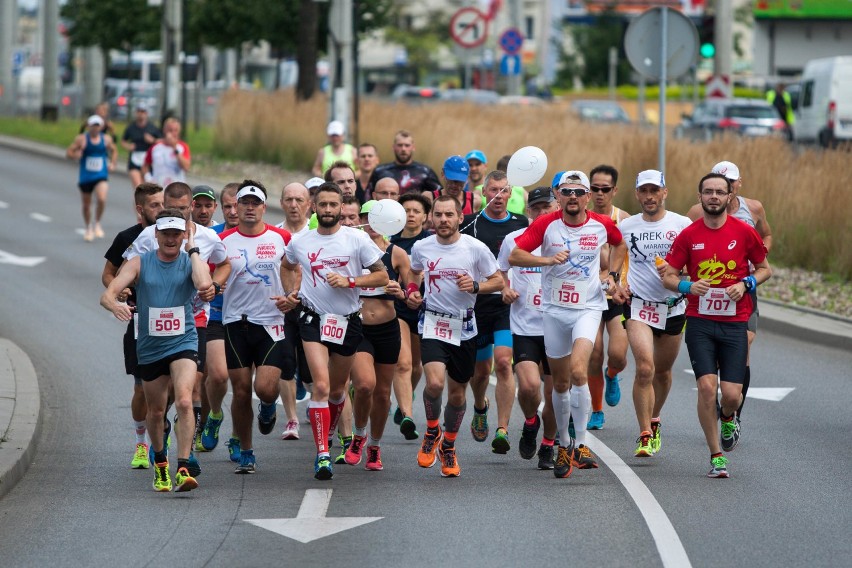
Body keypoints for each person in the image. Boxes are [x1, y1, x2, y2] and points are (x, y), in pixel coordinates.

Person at [509, 170, 627, 479]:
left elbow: (620, 244)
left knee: (578, 371)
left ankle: (583, 444)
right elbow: (516, 255)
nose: (572, 197)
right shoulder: (546, 225)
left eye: (578, 192)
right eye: (567, 192)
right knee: (559, 384)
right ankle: (563, 443)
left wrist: (613, 276)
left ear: (588, 197)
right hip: (554, 311)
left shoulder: (602, 225)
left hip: (587, 308)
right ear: (558, 196)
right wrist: (546, 261)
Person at [662, 172, 771, 478]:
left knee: (732, 395)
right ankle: (716, 455)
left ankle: (728, 416)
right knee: (707, 387)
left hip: (735, 322)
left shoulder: (744, 231)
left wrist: (747, 283)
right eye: (708, 192)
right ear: (700, 197)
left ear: (728, 197)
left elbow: (765, 269)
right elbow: (669, 276)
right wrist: (687, 287)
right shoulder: (689, 234)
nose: (713, 196)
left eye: (719, 192)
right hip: (699, 322)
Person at [281, 182, 388, 480]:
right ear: (314, 207)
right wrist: (292, 291)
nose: (328, 210)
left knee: (338, 391)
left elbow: (381, 275)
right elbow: (287, 265)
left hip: (348, 321)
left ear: (341, 208)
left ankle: (326, 430)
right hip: (313, 319)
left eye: (333, 205)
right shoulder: (301, 242)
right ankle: (323, 454)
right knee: (322, 386)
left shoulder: (356, 240)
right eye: (323, 205)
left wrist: (351, 282)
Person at [101, 209, 213, 492]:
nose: (171, 239)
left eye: (177, 234)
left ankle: (184, 465)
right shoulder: (139, 263)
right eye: (166, 234)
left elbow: (203, 284)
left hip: (183, 340)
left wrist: (194, 250)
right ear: (157, 235)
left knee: (186, 401)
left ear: (183, 235)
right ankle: (161, 463)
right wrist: (117, 305)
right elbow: (107, 294)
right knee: (156, 410)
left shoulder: (190, 261)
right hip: (150, 345)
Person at [124, 182, 230, 467]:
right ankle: (160, 441)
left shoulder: (205, 237)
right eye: (172, 207)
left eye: (185, 209)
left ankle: (187, 456)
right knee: (157, 402)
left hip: (193, 321)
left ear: (191, 208)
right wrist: (122, 295)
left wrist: (215, 286)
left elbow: (225, 264)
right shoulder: (146, 237)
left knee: (191, 390)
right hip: (150, 326)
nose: (178, 212)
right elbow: (120, 272)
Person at [407, 195, 503, 477]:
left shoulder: (475, 248)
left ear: (460, 218)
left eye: (449, 215)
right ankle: (432, 431)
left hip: (464, 327)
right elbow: (413, 273)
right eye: (438, 215)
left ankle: (448, 445)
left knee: (459, 395)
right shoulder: (422, 246)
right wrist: (412, 291)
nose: (443, 220)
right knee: (435, 383)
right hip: (433, 322)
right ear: (431, 218)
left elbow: (498, 281)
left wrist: (475, 286)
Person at [688, 161, 773, 427]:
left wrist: (754, 261)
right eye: (711, 189)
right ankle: (717, 394)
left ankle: (733, 410)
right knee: (710, 368)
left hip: (742, 289)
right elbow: (685, 244)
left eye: (730, 183)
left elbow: (766, 236)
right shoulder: (695, 213)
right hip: (707, 293)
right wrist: (684, 282)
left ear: (736, 186)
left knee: (744, 343)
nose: (720, 192)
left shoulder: (753, 209)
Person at [219, 181, 292, 474]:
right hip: (235, 321)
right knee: (238, 392)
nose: (249, 208)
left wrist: (291, 296)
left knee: (264, 388)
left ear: (264, 207)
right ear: (236, 207)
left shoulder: (281, 237)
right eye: (244, 203)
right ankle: (247, 451)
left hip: (271, 322)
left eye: (255, 203)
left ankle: (268, 405)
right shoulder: (223, 240)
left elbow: (294, 268)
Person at [617, 170, 691, 457]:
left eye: (654, 191)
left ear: (664, 193)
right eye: (644, 191)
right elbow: (612, 260)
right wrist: (614, 283)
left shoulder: (682, 224)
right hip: (639, 305)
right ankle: (644, 433)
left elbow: (695, 263)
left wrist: (680, 271)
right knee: (645, 367)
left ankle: (655, 417)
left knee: (662, 371)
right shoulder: (627, 226)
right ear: (637, 194)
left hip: (673, 307)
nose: (649, 197)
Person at [461, 170, 528, 454]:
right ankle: (480, 406)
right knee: (478, 373)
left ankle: (502, 429)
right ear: (483, 193)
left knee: (503, 363)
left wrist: (509, 287)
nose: (499, 196)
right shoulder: (469, 224)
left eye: (504, 191)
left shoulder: (521, 225)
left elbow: (524, 264)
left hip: (504, 307)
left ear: (511, 194)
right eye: (493, 191)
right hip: (475, 307)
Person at [342, 200, 411, 470]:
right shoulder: (349, 249)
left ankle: (375, 446)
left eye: (375, 218)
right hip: (358, 327)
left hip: (387, 327)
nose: (370, 223)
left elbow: (413, 295)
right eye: (365, 217)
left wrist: (401, 293)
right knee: (364, 385)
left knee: (382, 394)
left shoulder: (396, 254)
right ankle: (359, 436)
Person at [496, 186, 560, 469]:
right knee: (530, 386)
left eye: (548, 207)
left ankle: (548, 444)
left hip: (558, 325)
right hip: (525, 326)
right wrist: (505, 289)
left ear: (556, 209)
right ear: (529, 212)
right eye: (537, 208)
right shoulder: (513, 240)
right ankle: (531, 421)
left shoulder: (565, 239)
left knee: (555, 393)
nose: (542, 213)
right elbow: (499, 272)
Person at [101, 182, 164, 468]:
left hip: (171, 322)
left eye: (163, 203)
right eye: (155, 205)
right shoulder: (127, 238)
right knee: (141, 388)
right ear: (141, 209)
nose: (161, 209)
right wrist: (120, 292)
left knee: (171, 389)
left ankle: (161, 431)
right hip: (140, 322)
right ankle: (141, 444)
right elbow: (108, 274)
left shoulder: (172, 236)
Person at [585, 164, 630, 430]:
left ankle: (612, 374)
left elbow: (634, 256)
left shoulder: (623, 219)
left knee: (618, 355)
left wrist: (623, 282)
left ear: (614, 190)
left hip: (617, 297)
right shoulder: (581, 218)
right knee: (594, 353)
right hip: (590, 296)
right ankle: (597, 410)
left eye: (605, 189)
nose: (599, 194)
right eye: (594, 188)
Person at [199, 183, 242, 458]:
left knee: (243, 385)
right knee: (217, 375)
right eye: (228, 206)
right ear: (220, 207)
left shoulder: (265, 236)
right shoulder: (209, 236)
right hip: (214, 314)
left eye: (238, 205)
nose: (234, 211)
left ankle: (238, 437)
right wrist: (213, 284)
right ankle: (214, 415)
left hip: (246, 317)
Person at [389, 193, 433, 439]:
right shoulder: (392, 244)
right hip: (400, 310)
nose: (412, 215)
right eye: (407, 210)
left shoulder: (431, 242)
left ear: (426, 217)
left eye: (417, 211)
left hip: (427, 310)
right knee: (403, 364)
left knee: (417, 367)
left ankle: (407, 395)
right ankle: (407, 415)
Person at [276, 182, 313, 441]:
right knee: (285, 365)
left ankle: (318, 402)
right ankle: (291, 419)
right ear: (281, 203)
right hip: (282, 310)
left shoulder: (317, 232)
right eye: (289, 199)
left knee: (311, 372)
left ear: (309, 204)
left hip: (312, 310)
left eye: (299, 200)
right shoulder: (274, 234)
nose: (293, 205)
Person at [66, 114, 118, 241]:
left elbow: (114, 150)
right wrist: (76, 155)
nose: (95, 128)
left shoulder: (106, 139)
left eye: (97, 125)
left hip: (101, 174)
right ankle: (88, 227)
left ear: (100, 127)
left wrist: (112, 163)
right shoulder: (82, 139)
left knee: (101, 198)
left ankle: (97, 222)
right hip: (86, 176)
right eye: (92, 125)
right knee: (86, 204)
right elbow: (69, 153)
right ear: (88, 126)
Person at [369, 129, 441, 196]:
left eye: (407, 145)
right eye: (400, 145)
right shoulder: (380, 171)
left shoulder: (425, 171)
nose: (403, 149)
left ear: (413, 147)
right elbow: (368, 197)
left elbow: (439, 195)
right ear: (393, 147)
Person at [121, 104, 162, 195]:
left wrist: (153, 140)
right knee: (138, 188)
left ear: (147, 113)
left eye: (143, 111)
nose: (141, 114)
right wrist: (128, 146)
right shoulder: (131, 127)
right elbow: (123, 141)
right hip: (135, 159)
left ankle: (143, 208)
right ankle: (137, 208)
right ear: (136, 113)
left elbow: (162, 141)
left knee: (146, 189)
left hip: (147, 160)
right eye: (139, 111)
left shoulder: (152, 127)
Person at [142, 117, 190, 188]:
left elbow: (186, 167)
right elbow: (145, 166)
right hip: (159, 189)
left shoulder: (182, 147)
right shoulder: (156, 147)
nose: (173, 133)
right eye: (170, 130)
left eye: (175, 130)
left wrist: (174, 148)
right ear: (164, 130)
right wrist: (149, 179)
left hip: (177, 191)